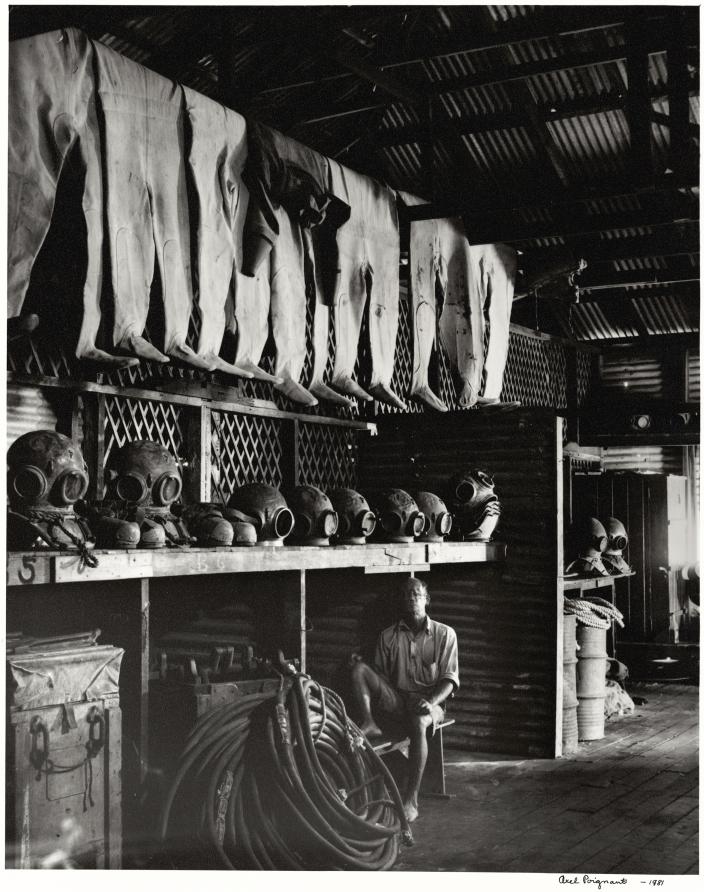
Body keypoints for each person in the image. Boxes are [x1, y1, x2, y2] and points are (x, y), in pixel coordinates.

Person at [350, 577, 459, 822]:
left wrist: (429, 702)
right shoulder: (388, 636)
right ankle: (370, 722)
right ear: (401, 601)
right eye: (407, 595)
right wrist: (368, 671)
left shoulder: (445, 634)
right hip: (399, 700)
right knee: (359, 670)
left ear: (426, 600)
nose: (411, 598)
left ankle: (411, 799)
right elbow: (380, 677)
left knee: (419, 721)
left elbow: (449, 681)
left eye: (417, 594)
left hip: (432, 703)